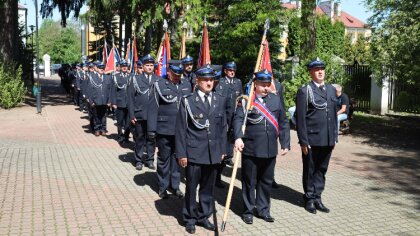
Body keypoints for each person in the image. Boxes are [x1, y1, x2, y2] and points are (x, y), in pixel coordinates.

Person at [175, 65, 228, 234]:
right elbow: (181, 130)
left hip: (213, 153)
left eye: (211, 80)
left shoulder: (219, 99)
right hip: (194, 152)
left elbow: (222, 127)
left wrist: (222, 150)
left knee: (207, 188)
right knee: (191, 188)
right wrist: (182, 154)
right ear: (197, 81)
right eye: (205, 80)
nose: (209, 83)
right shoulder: (188, 101)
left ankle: (204, 216)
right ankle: (190, 218)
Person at [233, 69, 290, 225]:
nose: (266, 88)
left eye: (268, 84)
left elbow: (283, 122)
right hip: (251, 147)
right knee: (249, 181)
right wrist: (238, 137)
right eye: (263, 84)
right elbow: (237, 120)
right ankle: (248, 211)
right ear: (255, 84)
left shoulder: (276, 100)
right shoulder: (246, 101)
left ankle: (263, 210)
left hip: (270, 148)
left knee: (266, 181)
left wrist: (285, 142)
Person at [295, 58, 338, 214]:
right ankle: (309, 199)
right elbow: (300, 119)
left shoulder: (331, 90)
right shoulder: (305, 91)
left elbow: (333, 115)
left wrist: (334, 137)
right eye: (317, 69)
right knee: (310, 170)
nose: (320, 72)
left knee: (322, 170)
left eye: (322, 69)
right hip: (312, 139)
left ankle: (318, 197)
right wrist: (303, 141)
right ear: (311, 72)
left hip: (327, 138)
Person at [147, 63, 191, 199]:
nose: (178, 77)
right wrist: (151, 130)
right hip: (164, 129)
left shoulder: (186, 85)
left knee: (178, 158)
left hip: (181, 130)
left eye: (180, 75)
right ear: (169, 72)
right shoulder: (159, 85)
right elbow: (153, 108)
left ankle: (175, 186)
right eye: (175, 74)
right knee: (164, 159)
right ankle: (163, 186)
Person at [127, 54, 160, 171]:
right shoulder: (135, 79)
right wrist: (131, 115)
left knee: (152, 138)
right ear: (143, 66)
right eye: (147, 65)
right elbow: (130, 98)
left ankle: (150, 160)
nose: (150, 67)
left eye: (151, 65)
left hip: (153, 115)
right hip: (139, 114)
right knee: (140, 138)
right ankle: (138, 160)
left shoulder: (158, 80)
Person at [214, 61, 243, 188]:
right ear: (225, 71)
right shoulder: (220, 82)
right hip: (222, 120)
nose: (232, 72)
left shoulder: (238, 83)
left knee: (229, 147)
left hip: (233, 119)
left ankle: (227, 159)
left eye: (234, 70)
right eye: (230, 70)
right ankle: (216, 177)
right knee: (221, 149)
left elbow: (240, 99)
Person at [86, 63, 112, 136]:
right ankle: (97, 129)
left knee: (103, 115)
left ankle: (103, 129)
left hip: (105, 101)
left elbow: (110, 90)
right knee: (96, 115)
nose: (102, 70)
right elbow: (89, 90)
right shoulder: (92, 77)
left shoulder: (108, 77)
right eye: (100, 68)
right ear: (97, 69)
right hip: (96, 100)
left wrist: (109, 101)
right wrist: (91, 101)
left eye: (103, 68)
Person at [111, 59, 131, 143]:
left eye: (126, 66)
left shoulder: (131, 76)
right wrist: (114, 102)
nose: (124, 68)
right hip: (119, 103)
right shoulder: (116, 77)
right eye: (123, 66)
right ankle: (120, 136)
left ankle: (126, 136)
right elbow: (113, 91)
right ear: (120, 67)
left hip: (129, 104)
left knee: (128, 123)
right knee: (119, 122)